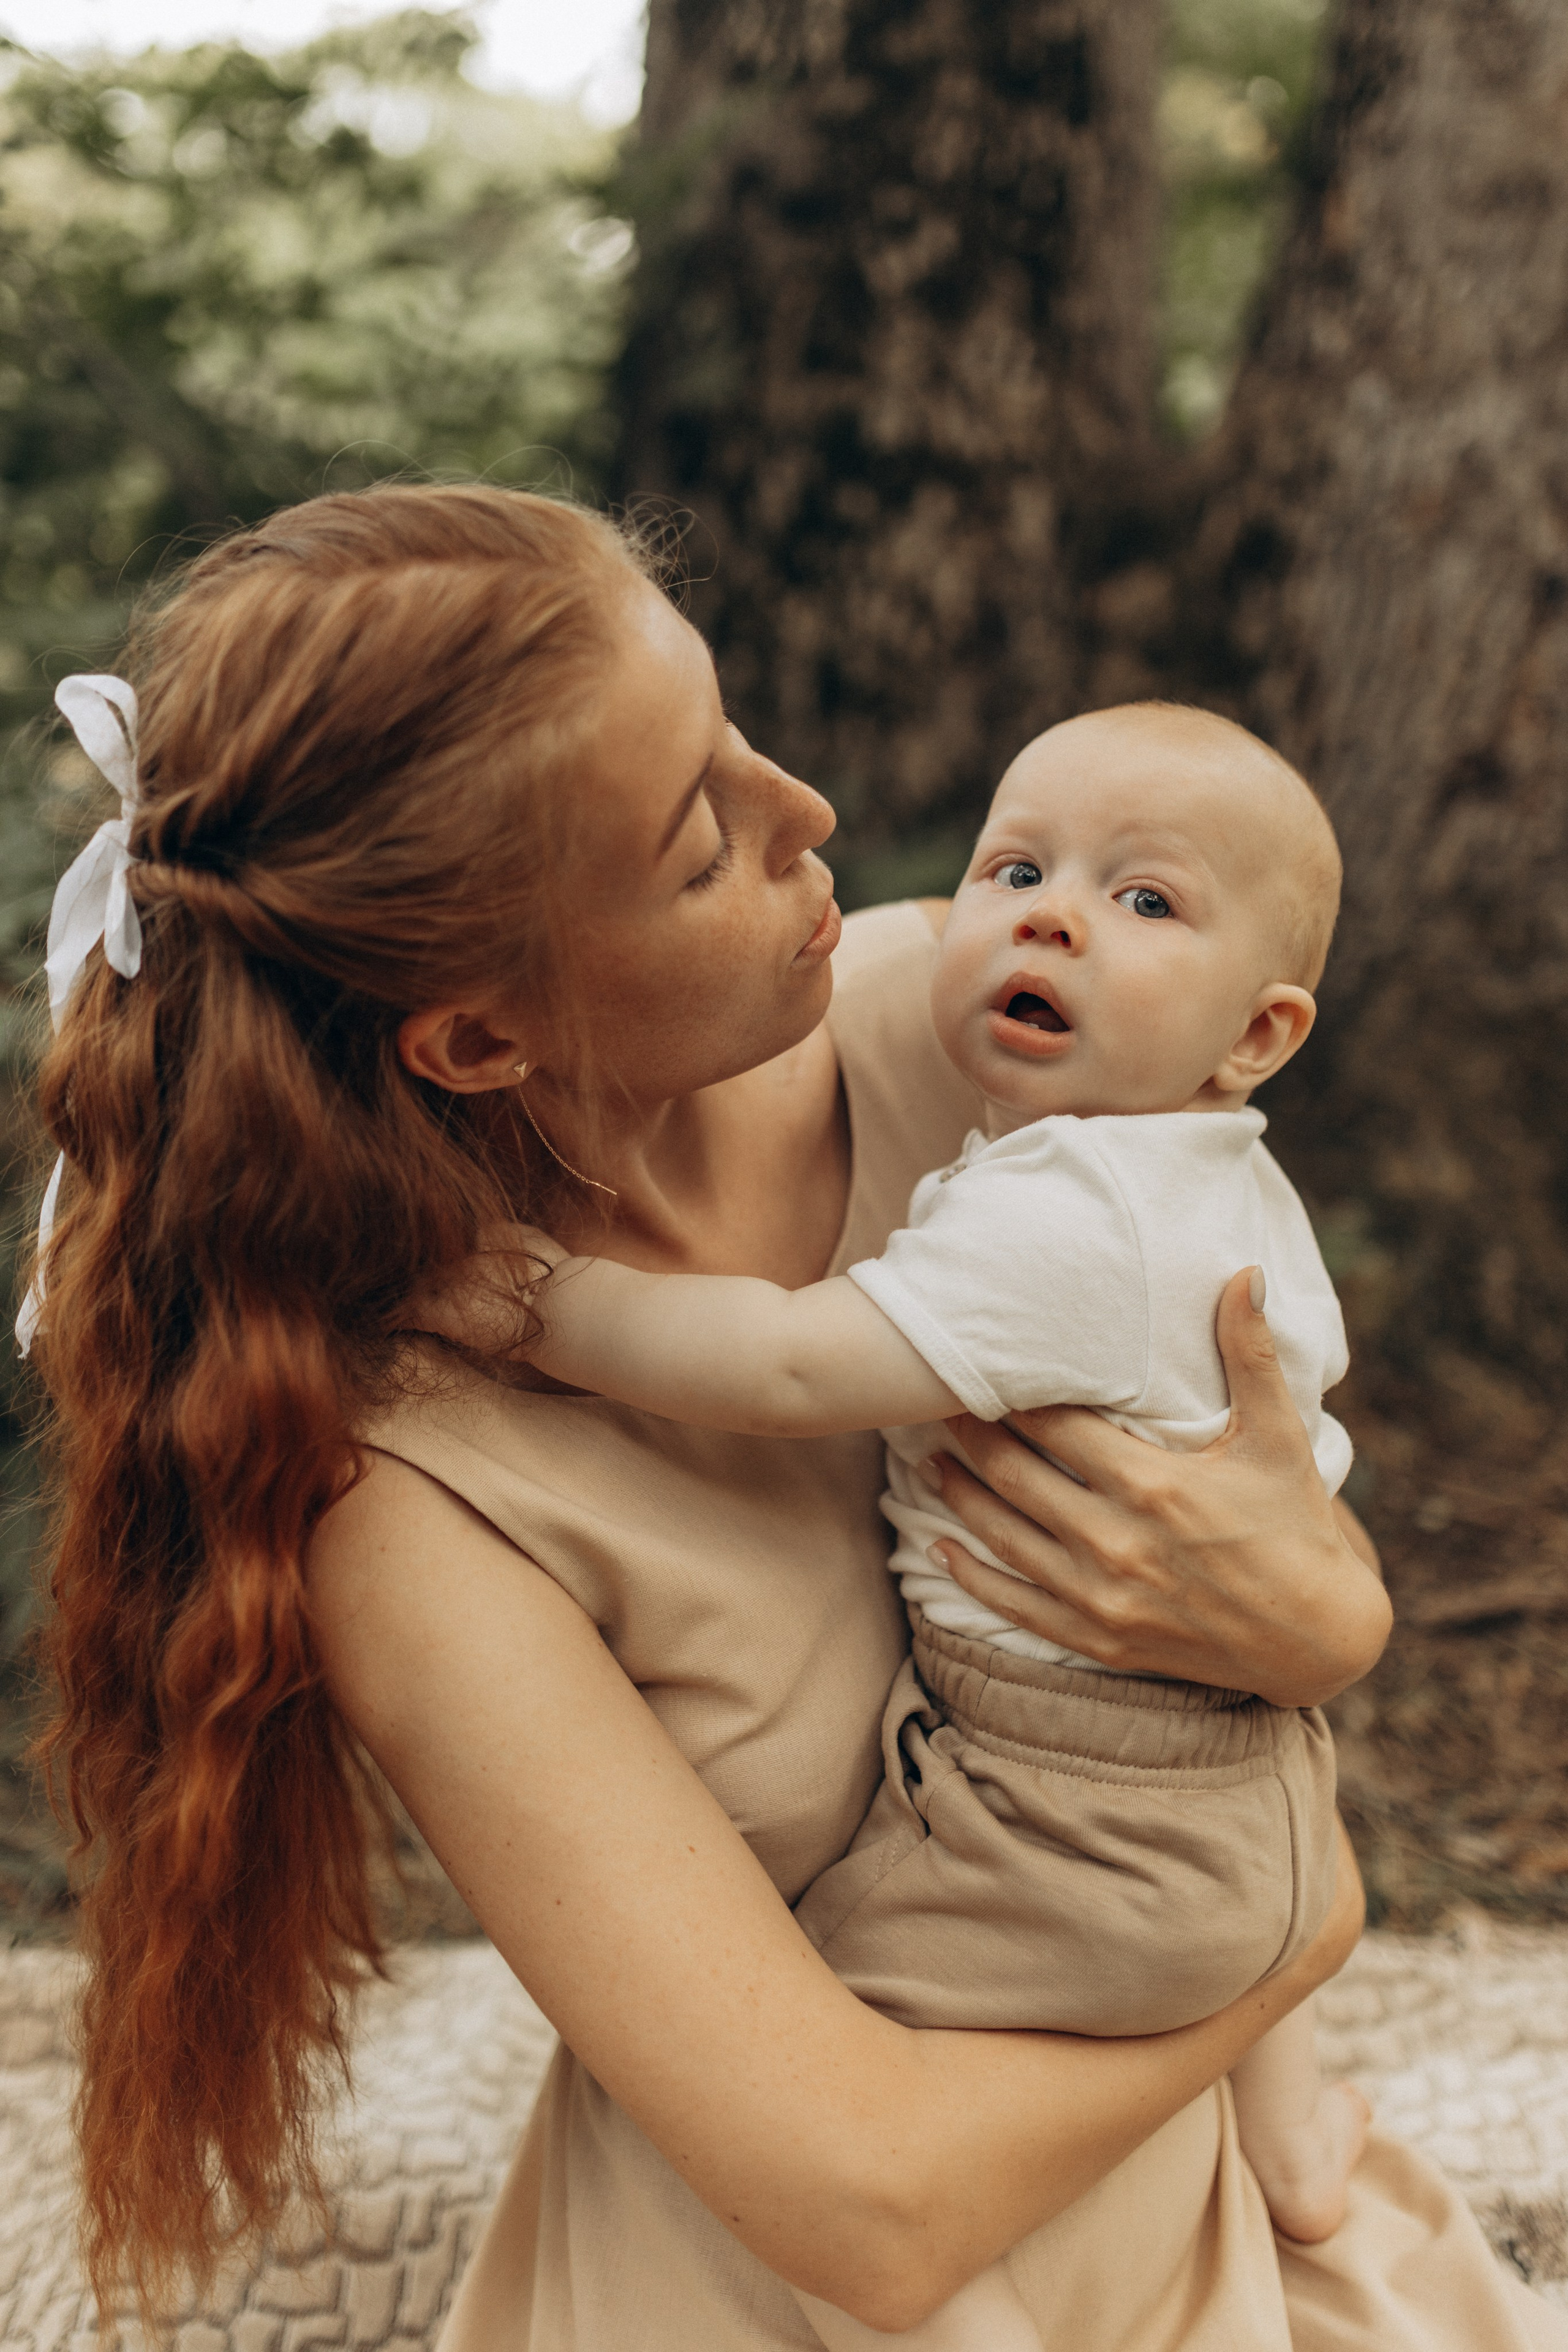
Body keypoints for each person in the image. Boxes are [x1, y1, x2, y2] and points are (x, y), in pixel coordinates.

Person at [23, 484, 1562, 2351]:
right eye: (698, 842)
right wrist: (1294, 1931)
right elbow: (869, 2209)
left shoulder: (980, 1025)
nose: (806, 815)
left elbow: (1234, 1405)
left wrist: (1331, 1620)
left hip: (1228, 2193)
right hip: (822, 2294)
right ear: (481, 1039)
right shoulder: (404, 1491)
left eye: (734, 727)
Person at [428, 703, 1371, 2352]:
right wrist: (1296, 1920)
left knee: (841, 2010)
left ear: (1259, 1033)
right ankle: (1293, 2136)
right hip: (1241, 1797)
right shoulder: (1168, 1154)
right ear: (479, 1019)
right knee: (825, 2112)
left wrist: (539, 1305)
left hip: (1065, 1788)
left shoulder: (1068, 1195)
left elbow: (793, 1360)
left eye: (1142, 902)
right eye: (1021, 866)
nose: (1047, 912)